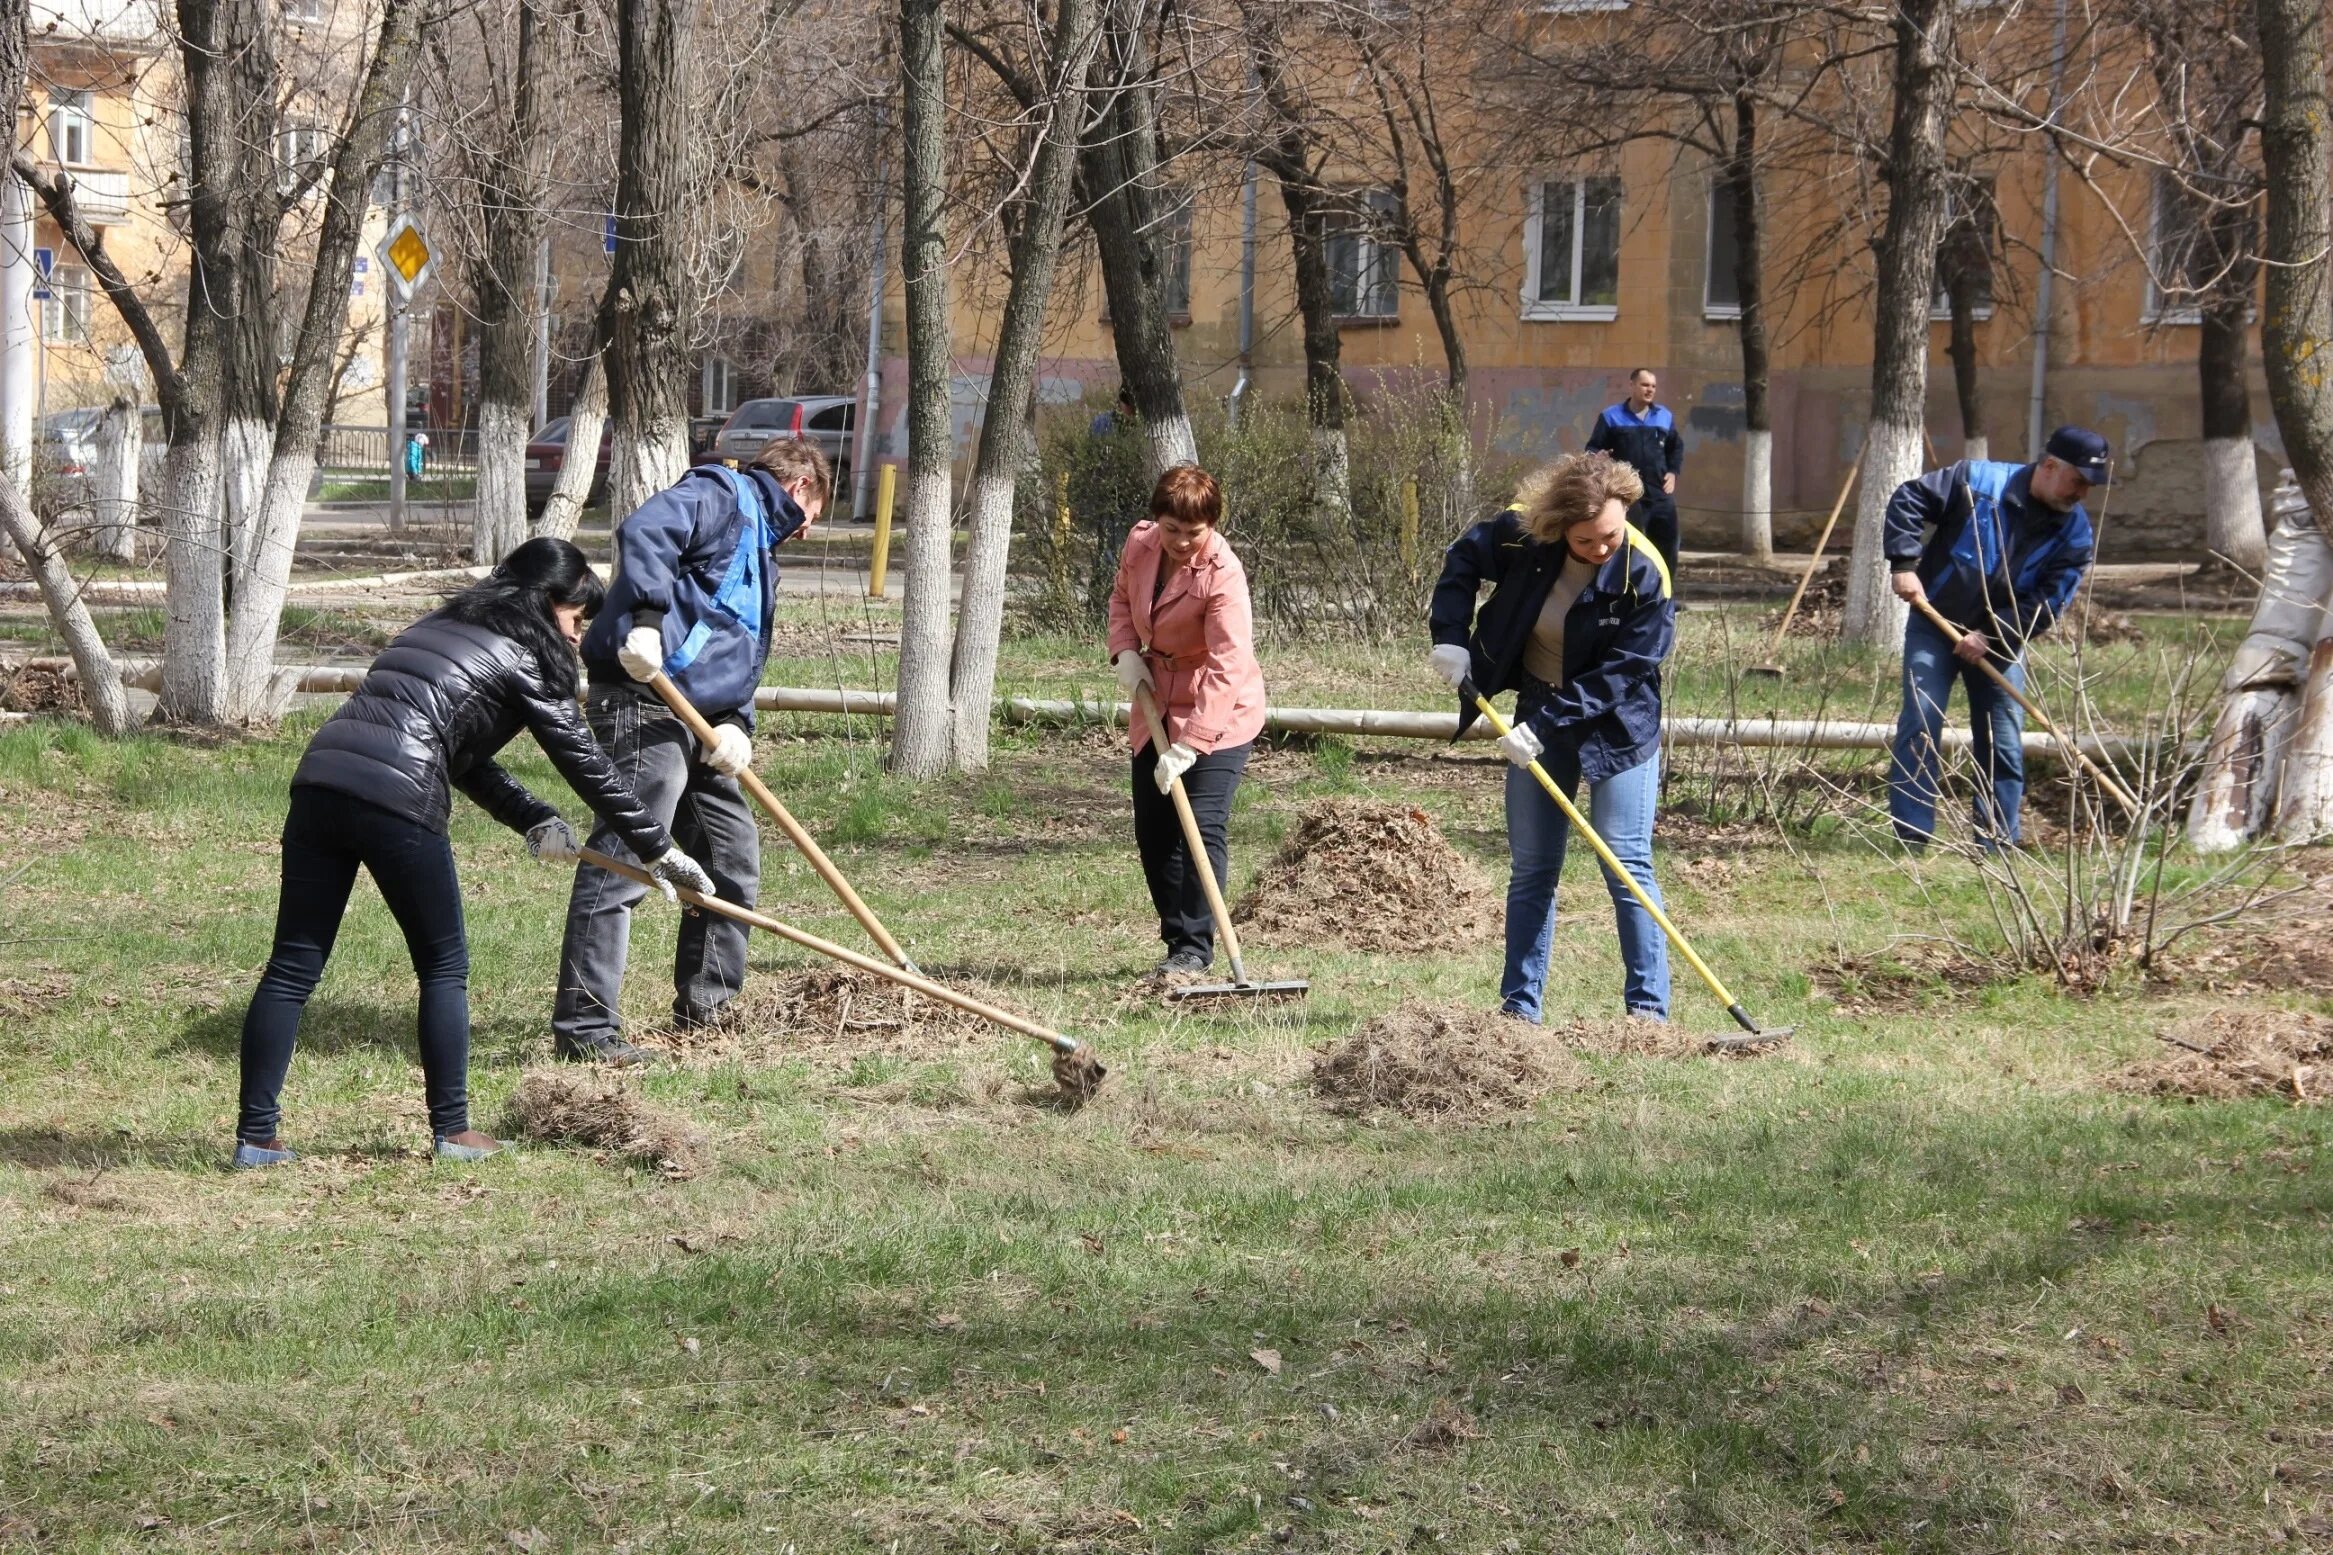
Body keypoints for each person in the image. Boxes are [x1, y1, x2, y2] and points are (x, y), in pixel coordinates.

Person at [232, 540, 713, 1170]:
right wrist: (658, 847)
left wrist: (531, 816)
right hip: (397, 796)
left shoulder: (437, 627)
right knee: (443, 966)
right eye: (575, 618)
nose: (576, 637)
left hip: (320, 781)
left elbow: (457, 751)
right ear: (546, 602)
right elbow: (586, 764)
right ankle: (454, 1133)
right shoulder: (525, 655)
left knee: (293, 967)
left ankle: (255, 1139)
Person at [552, 439, 828, 1064]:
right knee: (629, 853)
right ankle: (585, 1028)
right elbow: (646, 529)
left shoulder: (761, 549)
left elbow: (735, 650)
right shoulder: (719, 496)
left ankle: (710, 1008)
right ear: (801, 487)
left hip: (703, 722)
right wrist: (645, 619)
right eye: (814, 514)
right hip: (644, 699)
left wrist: (738, 727)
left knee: (732, 857)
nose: (807, 532)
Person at [1428, 451, 1677, 1023]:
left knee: (1626, 862)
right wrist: (1450, 636)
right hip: (1539, 703)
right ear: (1558, 526)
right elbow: (1463, 560)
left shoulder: (1645, 573)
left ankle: (1647, 1015)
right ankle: (1519, 1008)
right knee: (1534, 865)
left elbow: (1623, 672)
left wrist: (1541, 727)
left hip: (1617, 723)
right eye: (1585, 540)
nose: (1600, 549)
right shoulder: (1523, 534)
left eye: (1610, 535)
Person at [1884, 426, 2105, 851]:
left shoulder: (2074, 534)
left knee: (2002, 737)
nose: (2082, 494)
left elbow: (2048, 601)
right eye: (2078, 481)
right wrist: (1903, 563)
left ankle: (1996, 840)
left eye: (2090, 486)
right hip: (1935, 623)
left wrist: (1993, 634)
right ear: (2050, 466)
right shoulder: (1978, 482)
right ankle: (1911, 838)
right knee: (1922, 721)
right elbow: (1909, 498)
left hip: (2001, 641)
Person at [1107, 464, 1267, 974]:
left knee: (1202, 823)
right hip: (1155, 697)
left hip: (1220, 708)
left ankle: (1196, 950)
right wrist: (1125, 652)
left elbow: (1228, 663)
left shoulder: (1223, 574)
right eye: (1170, 529)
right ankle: (1178, 942)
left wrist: (1192, 744)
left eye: (1192, 532)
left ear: (1213, 524)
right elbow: (1120, 599)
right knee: (1155, 831)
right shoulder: (1141, 544)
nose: (1179, 541)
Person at [1584, 368, 1685, 578]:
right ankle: (1626, 593)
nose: (1650, 390)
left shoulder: (1664, 416)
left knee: (1666, 543)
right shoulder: (1611, 416)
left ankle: (1665, 595)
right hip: (1626, 494)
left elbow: (1676, 447)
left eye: (1653, 386)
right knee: (1626, 544)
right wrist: (1598, 458)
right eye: (1645, 385)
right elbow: (1593, 449)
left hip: (1659, 492)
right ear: (1632, 386)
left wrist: (1673, 472)